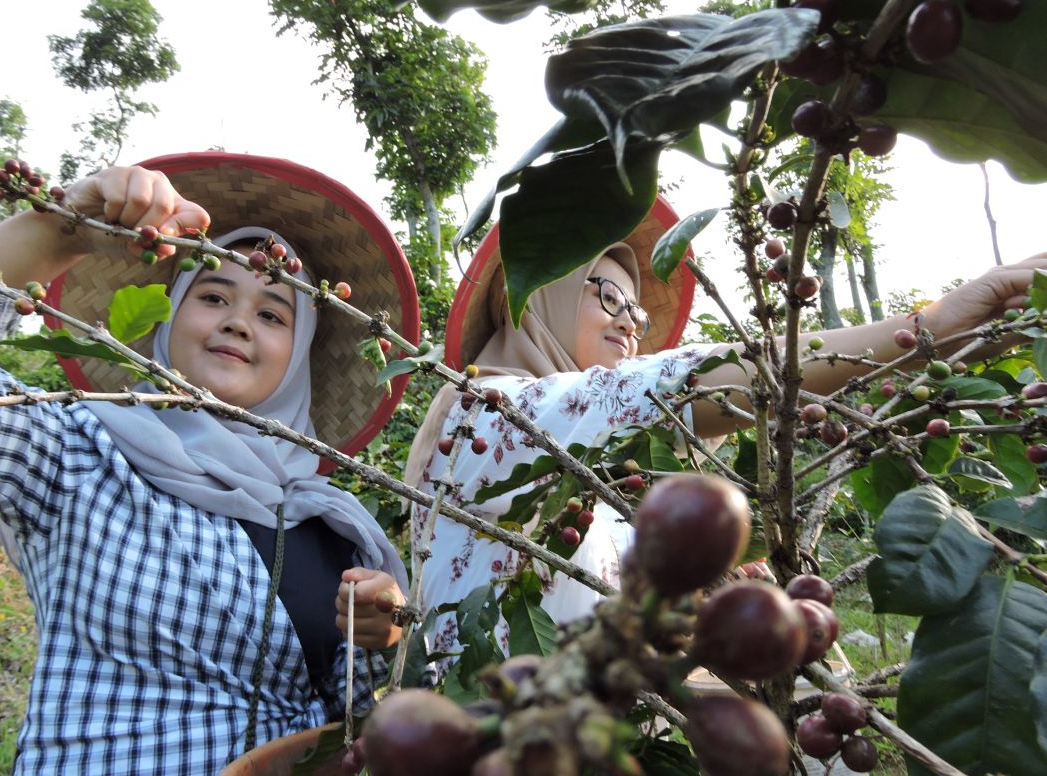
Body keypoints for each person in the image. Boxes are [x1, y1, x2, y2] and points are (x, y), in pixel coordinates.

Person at [0, 152, 416, 775]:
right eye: (213, 294)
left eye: (273, 314)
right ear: (166, 319)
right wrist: (61, 230)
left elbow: (354, 724)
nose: (237, 321)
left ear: (299, 355)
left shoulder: (336, 524)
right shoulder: (78, 454)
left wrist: (381, 639)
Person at [404, 198, 1047, 668]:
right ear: (538, 294)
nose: (631, 323)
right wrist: (927, 329)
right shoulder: (483, 415)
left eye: (636, 308)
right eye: (607, 296)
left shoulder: (597, 469)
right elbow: (678, 384)